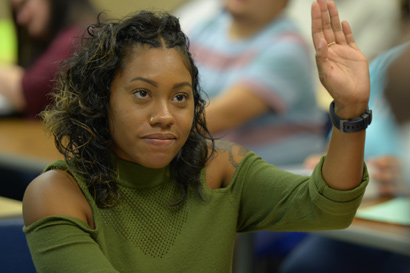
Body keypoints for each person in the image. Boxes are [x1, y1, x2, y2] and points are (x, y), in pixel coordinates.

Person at [22, 1, 371, 271]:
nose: (165, 117)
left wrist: (351, 109)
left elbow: (328, 208)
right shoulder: (58, 193)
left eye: (180, 97)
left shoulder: (219, 169)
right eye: (142, 93)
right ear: (101, 100)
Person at [278, 41, 410, 273]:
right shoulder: (392, 63)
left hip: (392, 226)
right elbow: (342, 137)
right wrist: (334, 161)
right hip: (365, 216)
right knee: (304, 267)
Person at [187, 0, 326, 166]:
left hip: (278, 181)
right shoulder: (205, 28)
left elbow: (216, 118)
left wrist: (155, 122)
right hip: (217, 173)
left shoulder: (288, 48)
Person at [0, 0, 97, 118]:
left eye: (24, 4)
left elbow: (29, 90)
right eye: (17, 12)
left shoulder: (78, 37)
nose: (21, 19)